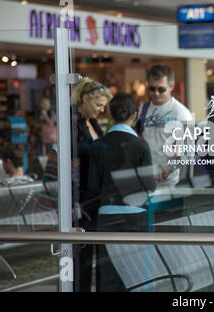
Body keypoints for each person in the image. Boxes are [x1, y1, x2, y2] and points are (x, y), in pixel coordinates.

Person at [88, 92, 155, 291]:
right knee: (133, 276)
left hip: (107, 216)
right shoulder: (140, 145)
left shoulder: (99, 145)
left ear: (110, 113)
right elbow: (149, 186)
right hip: (135, 218)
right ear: (134, 115)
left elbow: (93, 185)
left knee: (107, 278)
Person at [71, 77, 113, 292]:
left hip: (96, 195)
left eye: (103, 106)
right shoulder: (73, 122)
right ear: (85, 99)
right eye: (98, 105)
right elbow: (75, 149)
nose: (100, 110)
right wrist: (100, 148)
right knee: (83, 257)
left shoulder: (92, 122)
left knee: (96, 256)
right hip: (82, 198)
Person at [136, 64, 193, 187]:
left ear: (171, 86)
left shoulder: (181, 113)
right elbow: (140, 139)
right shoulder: (143, 108)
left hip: (170, 181)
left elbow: (188, 151)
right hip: (146, 179)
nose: (156, 93)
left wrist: (171, 167)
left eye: (161, 89)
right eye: (152, 88)